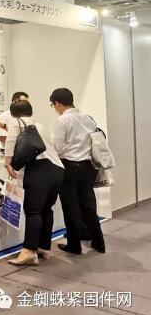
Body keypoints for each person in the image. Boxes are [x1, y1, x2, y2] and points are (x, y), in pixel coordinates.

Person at [5, 99, 64, 266]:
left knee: (33, 211)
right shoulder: (40, 125)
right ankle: (44, 247)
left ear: (13, 113)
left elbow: (10, 143)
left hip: (39, 170)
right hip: (57, 169)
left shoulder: (16, 122)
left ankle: (29, 251)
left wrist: (8, 163)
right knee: (46, 209)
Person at [50, 88, 105, 254]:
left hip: (70, 168)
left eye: (53, 105)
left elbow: (58, 148)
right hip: (89, 167)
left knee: (70, 208)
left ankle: (74, 245)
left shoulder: (62, 120)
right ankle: (99, 242)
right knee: (89, 206)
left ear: (58, 103)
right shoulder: (88, 118)